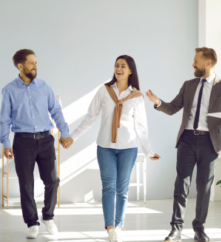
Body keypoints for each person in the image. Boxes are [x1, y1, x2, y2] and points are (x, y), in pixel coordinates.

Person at [60, 55, 161, 242]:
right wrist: (72, 137)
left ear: (130, 70)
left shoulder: (137, 96)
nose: (118, 68)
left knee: (122, 189)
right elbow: (90, 117)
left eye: (123, 66)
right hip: (105, 147)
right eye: (116, 65)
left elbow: (141, 127)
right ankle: (109, 228)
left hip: (128, 148)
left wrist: (149, 151)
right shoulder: (104, 90)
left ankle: (119, 226)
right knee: (108, 187)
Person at [146, 47, 221, 242]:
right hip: (187, 139)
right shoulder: (188, 85)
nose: (193, 64)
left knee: (204, 187)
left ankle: (199, 228)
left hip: (210, 141)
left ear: (208, 63)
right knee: (181, 185)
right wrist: (157, 102)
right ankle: (176, 229)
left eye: (196, 60)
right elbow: (172, 108)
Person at [0, 49, 73, 239]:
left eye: (36, 62)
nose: (35, 66)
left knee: (52, 180)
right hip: (22, 142)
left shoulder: (44, 87)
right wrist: (6, 143)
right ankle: (32, 223)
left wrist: (64, 133)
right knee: (26, 184)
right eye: (31, 63)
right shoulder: (9, 90)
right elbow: (4, 120)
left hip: (46, 140)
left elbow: (56, 111)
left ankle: (48, 217)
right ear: (20, 66)